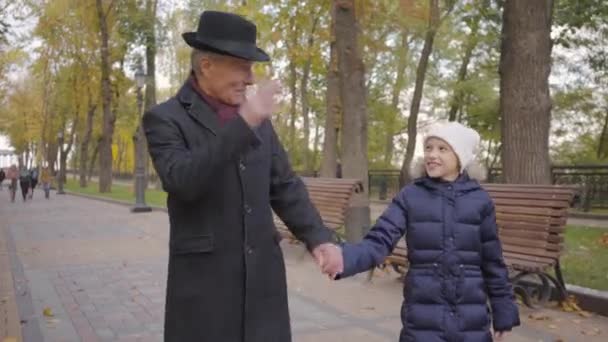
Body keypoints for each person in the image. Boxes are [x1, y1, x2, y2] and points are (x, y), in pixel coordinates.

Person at [142, 10, 342, 342]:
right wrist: (244, 123)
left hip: (263, 285)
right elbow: (182, 181)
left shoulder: (256, 120)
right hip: (205, 290)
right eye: (242, 66)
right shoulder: (165, 119)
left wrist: (318, 239)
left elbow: (284, 185)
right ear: (207, 66)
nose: (250, 79)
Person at [321, 122, 521, 342]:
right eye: (428, 148)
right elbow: (380, 239)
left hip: (470, 320)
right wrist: (345, 259)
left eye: (442, 149)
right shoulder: (411, 196)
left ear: (460, 156)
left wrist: (504, 313)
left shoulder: (480, 201)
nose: (432, 155)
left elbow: (493, 261)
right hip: (423, 318)